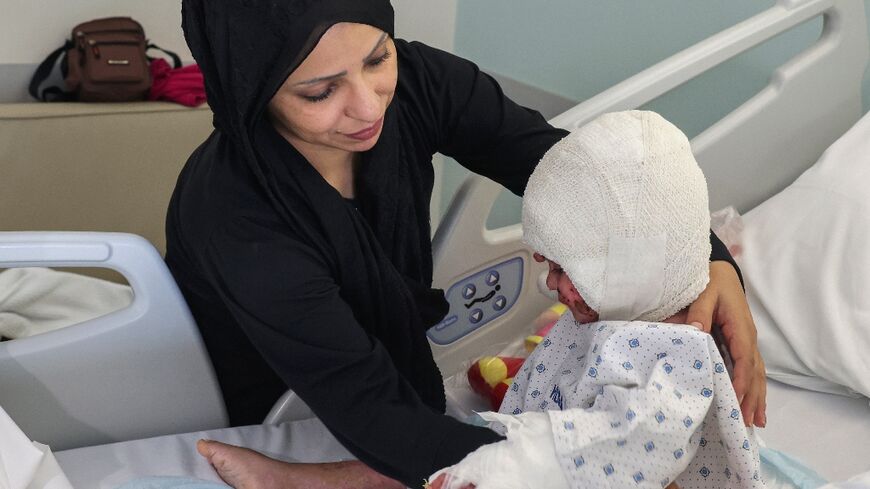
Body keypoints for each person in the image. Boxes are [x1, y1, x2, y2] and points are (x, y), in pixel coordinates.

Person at [165, 1, 765, 488]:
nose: (368, 104)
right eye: (320, 93)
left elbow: (581, 175)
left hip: (392, 387)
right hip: (277, 396)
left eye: (378, 58)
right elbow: (372, 408)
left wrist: (709, 261)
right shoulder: (234, 215)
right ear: (252, 90)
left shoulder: (420, 83)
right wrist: (596, 473)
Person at [428, 110, 764, 489]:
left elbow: (627, 442)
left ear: (630, 267)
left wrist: (508, 464)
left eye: (562, 268)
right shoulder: (612, 308)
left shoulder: (679, 355)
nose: (549, 283)